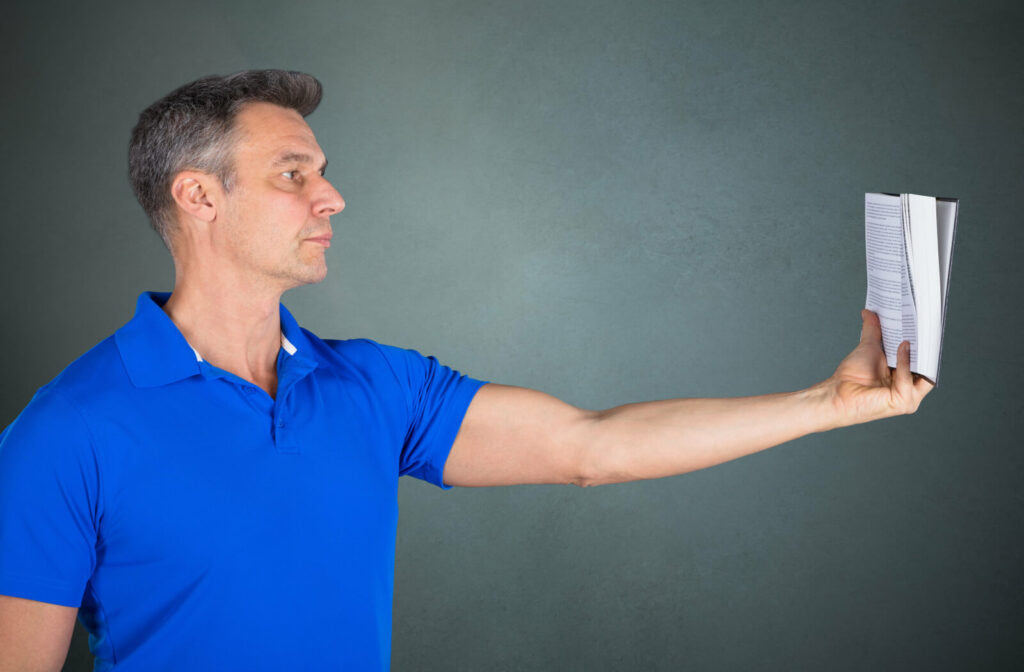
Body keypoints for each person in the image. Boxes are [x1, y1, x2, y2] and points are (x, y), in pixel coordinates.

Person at [0, 69, 933, 671]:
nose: (331, 195)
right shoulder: (67, 432)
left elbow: (592, 448)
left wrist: (827, 405)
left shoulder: (374, 387)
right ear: (199, 195)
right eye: (293, 173)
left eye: (320, 170)